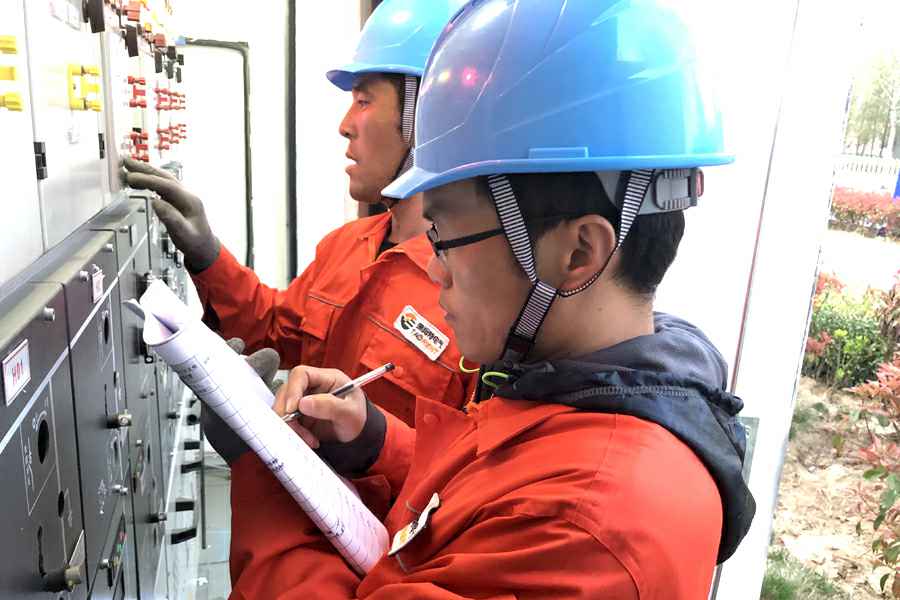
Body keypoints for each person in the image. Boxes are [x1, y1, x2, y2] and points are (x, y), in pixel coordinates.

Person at [228, 0, 757, 597]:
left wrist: (265, 469)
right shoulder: (562, 391)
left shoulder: (584, 528)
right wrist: (375, 439)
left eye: (446, 237)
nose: (436, 269)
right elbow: (476, 499)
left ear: (577, 253)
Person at [123, 0, 474, 463]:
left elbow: (469, 469)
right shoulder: (346, 246)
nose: (345, 126)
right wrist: (208, 255)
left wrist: (373, 442)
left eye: (364, 101)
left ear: (425, 118)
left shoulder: (476, 294)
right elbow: (272, 330)